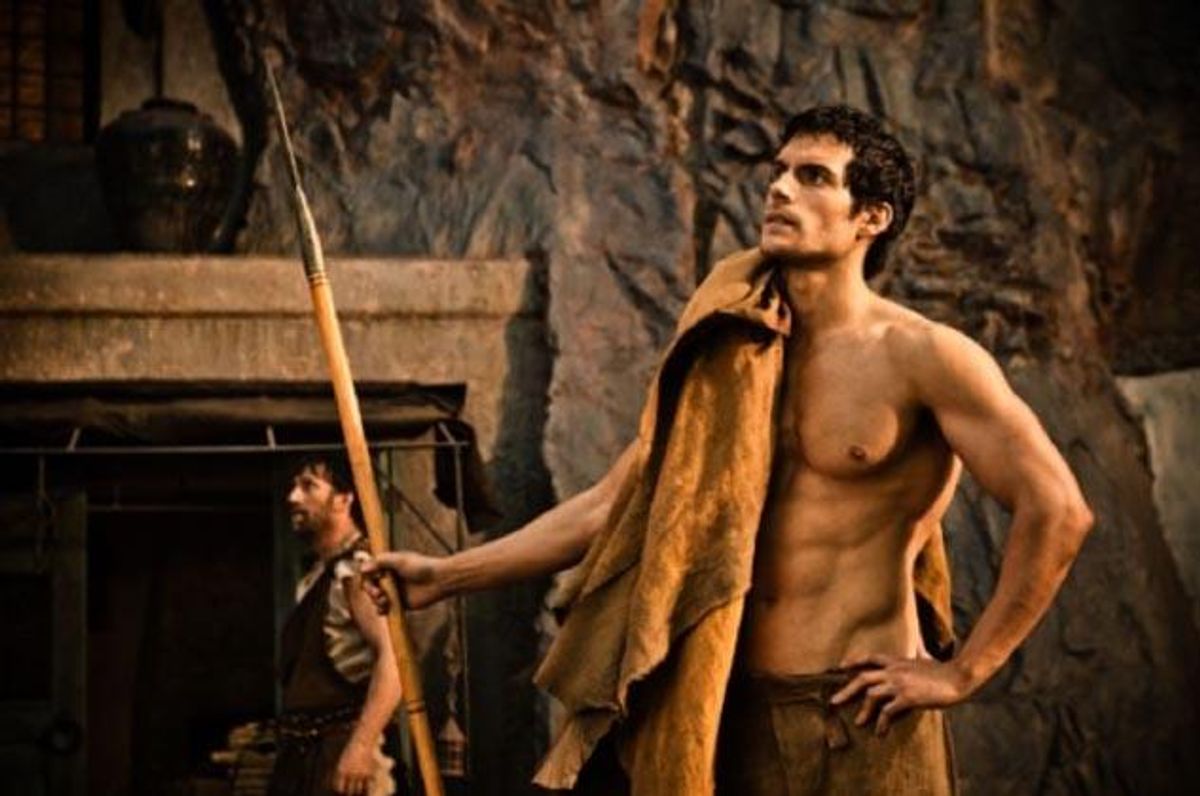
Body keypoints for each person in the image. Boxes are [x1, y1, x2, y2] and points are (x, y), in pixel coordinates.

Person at [364, 105, 1094, 794]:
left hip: (866, 715)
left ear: (871, 217)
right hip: (730, 714)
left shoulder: (925, 356)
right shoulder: (728, 358)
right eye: (779, 171)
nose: (780, 188)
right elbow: (614, 505)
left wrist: (963, 673)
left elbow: (1058, 510)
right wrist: (443, 576)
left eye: (813, 176)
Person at [269, 455, 403, 796]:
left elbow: (395, 661)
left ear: (343, 499)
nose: (293, 497)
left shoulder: (359, 570)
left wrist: (361, 746)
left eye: (309, 486)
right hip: (308, 756)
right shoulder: (319, 574)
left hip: (345, 757)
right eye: (294, 486)